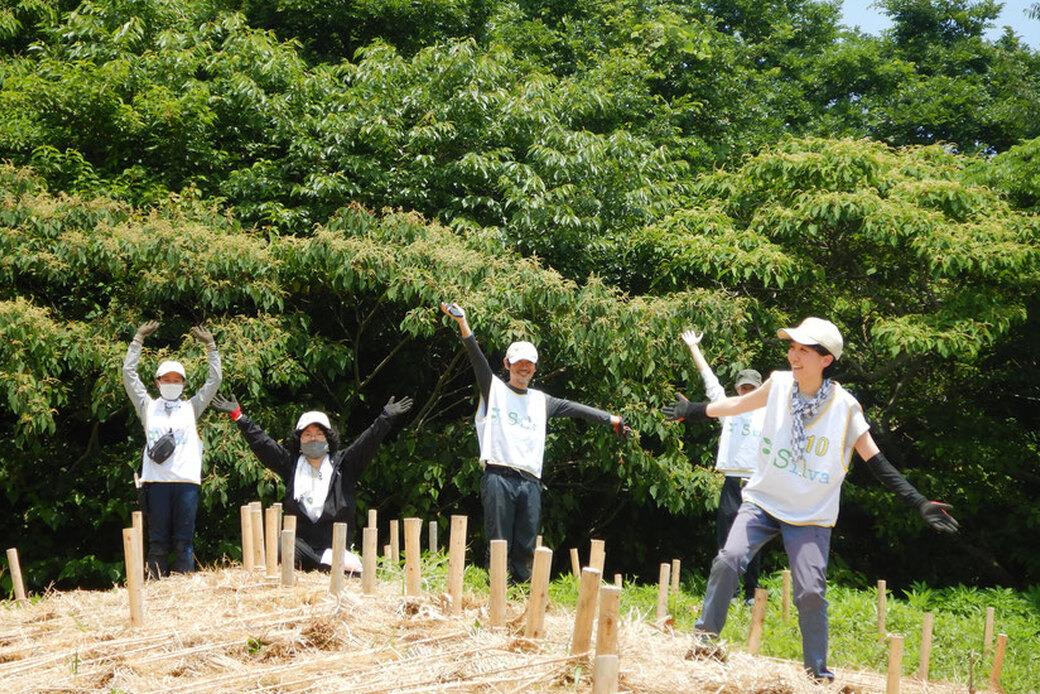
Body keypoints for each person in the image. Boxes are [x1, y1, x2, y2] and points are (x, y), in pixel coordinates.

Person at [662, 317, 958, 682]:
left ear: (826, 359)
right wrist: (692, 411)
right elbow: (737, 406)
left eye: (803, 350)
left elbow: (877, 463)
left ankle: (817, 676)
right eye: (792, 348)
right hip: (764, 500)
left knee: (810, 592)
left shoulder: (845, 407)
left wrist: (918, 502)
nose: (793, 356)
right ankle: (704, 643)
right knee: (728, 558)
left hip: (811, 514)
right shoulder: (778, 384)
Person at [441, 302, 630, 582]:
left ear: (535, 368)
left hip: (530, 480)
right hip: (498, 475)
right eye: (518, 362)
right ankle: (497, 591)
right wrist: (463, 323)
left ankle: (521, 592)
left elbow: (576, 409)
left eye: (529, 363)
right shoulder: (493, 389)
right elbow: (476, 357)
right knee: (499, 540)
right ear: (507, 364)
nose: (524, 367)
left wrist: (612, 419)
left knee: (526, 542)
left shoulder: (542, 401)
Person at [211, 392, 413, 571]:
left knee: (350, 572)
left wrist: (386, 418)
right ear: (299, 440)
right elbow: (263, 444)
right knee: (278, 549)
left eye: (319, 434)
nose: (313, 439)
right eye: (307, 435)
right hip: (301, 547)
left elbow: (367, 442)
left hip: (334, 549)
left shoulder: (344, 465)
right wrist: (239, 416)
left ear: (328, 439)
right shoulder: (290, 464)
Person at [122, 320, 223, 577]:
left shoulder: (191, 407)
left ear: (184, 384)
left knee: (183, 542)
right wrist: (137, 340)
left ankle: (184, 588)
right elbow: (128, 375)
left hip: (186, 483)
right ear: (157, 383)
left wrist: (211, 347)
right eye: (166, 379)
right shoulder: (147, 406)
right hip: (156, 483)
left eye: (177, 380)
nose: (171, 383)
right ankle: (155, 587)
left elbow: (215, 380)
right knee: (157, 542)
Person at [679, 329, 765, 605]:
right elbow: (710, 381)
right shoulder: (728, 409)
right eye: (743, 388)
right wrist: (694, 347)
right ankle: (730, 590)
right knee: (727, 538)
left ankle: (751, 592)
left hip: (756, 484)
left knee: (754, 537)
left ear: (760, 389)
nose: (747, 392)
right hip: (732, 482)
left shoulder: (770, 413)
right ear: (738, 388)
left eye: (752, 388)